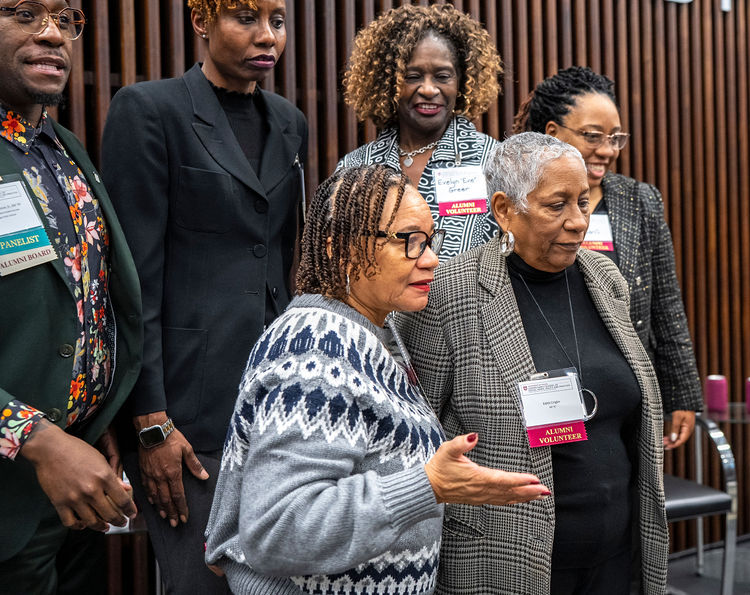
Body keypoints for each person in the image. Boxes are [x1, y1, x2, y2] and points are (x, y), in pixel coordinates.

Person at [205, 164, 549, 594]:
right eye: (408, 241)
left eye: (430, 240)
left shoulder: (373, 330)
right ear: (339, 248)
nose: (431, 259)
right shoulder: (316, 344)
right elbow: (278, 527)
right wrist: (428, 486)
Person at [100, 0, 307, 593]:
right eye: (245, 16)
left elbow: (284, 262)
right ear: (200, 21)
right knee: (200, 582)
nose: (265, 33)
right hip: (188, 416)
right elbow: (132, 281)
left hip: (277, 405)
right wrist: (151, 422)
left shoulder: (289, 121)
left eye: (275, 18)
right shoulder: (150, 110)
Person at [399, 132, 668, 595]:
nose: (577, 222)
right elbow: (417, 434)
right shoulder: (450, 294)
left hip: (618, 555)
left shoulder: (605, 278)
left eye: (583, 202)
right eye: (556, 205)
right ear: (504, 209)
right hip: (505, 560)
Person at [0, 0, 142, 592]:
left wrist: (99, 415)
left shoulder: (62, 148)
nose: (52, 33)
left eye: (64, 19)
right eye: (22, 14)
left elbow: (82, 302)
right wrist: (36, 438)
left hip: (78, 484)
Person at [513, 66, 703, 448]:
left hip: (625, 389)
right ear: (552, 134)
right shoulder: (519, 200)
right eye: (593, 136)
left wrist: (682, 393)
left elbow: (665, 303)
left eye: (616, 137)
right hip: (542, 390)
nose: (607, 150)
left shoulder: (640, 201)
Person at [338, 3, 501, 260]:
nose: (428, 89)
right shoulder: (356, 167)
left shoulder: (495, 161)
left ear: (461, 83)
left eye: (442, 76)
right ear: (388, 83)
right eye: (413, 76)